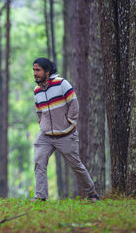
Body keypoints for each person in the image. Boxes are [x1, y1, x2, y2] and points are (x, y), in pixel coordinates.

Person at [31, 57, 99, 202]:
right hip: (46, 135)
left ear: (47, 72)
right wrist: (42, 122)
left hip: (66, 134)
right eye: (34, 70)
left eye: (38, 70)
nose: (35, 73)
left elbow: (74, 104)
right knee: (39, 161)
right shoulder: (37, 91)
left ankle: (92, 193)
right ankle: (40, 197)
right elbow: (39, 110)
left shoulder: (62, 84)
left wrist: (70, 122)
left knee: (75, 165)